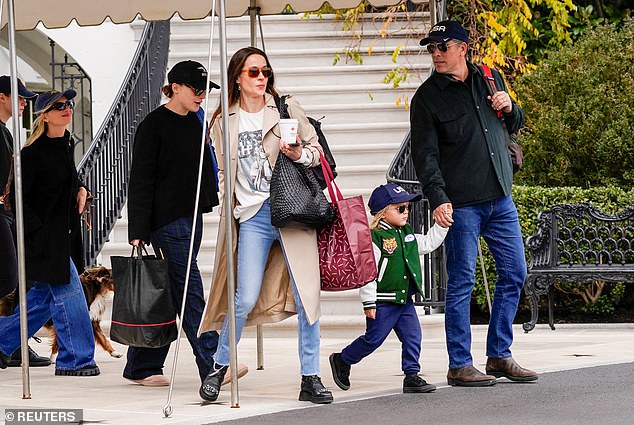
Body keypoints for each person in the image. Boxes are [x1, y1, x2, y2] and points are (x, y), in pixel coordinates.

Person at [198, 46, 333, 404]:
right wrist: (233, 209)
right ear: (237, 78)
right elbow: (224, 173)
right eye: (254, 72)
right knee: (241, 297)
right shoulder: (222, 120)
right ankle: (219, 366)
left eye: (265, 72)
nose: (262, 79)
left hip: (293, 210)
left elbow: (316, 153)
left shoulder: (286, 108)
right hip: (254, 217)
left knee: (308, 298)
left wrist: (297, 154)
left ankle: (311, 376)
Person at [410, 20, 538, 386]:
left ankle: (499, 355)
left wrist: (510, 106)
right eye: (431, 48)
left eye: (442, 46)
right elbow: (425, 157)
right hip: (461, 204)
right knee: (462, 282)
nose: (435, 54)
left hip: (500, 198)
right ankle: (460, 365)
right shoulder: (426, 99)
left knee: (515, 273)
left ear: (462, 48)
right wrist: (439, 198)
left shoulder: (489, 78)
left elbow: (515, 122)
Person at [125, 60, 223, 387]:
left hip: (192, 216)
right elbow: (140, 181)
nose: (201, 96)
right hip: (166, 222)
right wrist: (138, 231)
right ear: (175, 87)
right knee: (190, 291)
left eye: (205, 91)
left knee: (170, 291)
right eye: (196, 90)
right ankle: (212, 363)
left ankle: (142, 365)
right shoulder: (153, 126)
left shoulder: (196, 121)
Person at [0, 89, 99, 376]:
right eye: (58, 106)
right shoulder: (31, 154)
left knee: (41, 301)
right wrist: (39, 234)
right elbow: (17, 201)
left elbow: (67, 180)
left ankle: (3, 340)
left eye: (69, 104)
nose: (66, 109)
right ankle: (75, 359)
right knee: (72, 296)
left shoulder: (65, 145)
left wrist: (80, 188)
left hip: (63, 237)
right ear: (44, 116)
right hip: (43, 241)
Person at [329, 183, 448, 394]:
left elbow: (428, 243)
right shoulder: (375, 238)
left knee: (413, 336)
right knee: (373, 339)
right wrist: (369, 302)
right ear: (383, 213)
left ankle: (411, 375)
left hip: (404, 300)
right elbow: (368, 273)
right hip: (383, 300)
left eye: (407, 208)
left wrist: (442, 225)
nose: (406, 213)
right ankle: (342, 359)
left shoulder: (406, 234)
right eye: (400, 208)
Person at [0, 76, 52, 368]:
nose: (23, 104)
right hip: (3, 211)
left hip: (10, 212)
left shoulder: (7, 133)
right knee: (10, 277)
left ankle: (15, 343)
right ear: (1, 97)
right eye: (18, 98)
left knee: (22, 278)